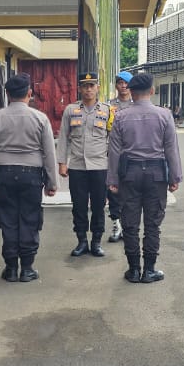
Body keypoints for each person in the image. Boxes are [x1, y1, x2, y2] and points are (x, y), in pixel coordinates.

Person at [0, 73, 58, 282]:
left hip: (4, 174)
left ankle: (11, 268)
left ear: (7, 94)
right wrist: (51, 182)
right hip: (31, 176)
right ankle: (27, 268)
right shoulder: (40, 118)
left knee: (8, 220)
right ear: (29, 93)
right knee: (30, 219)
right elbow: (49, 153)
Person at [107, 71, 182, 283]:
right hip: (156, 174)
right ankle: (149, 270)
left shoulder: (120, 116)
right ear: (152, 90)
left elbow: (114, 151)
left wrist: (112, 180)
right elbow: (171, 149)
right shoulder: (164, 115)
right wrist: (174, 177)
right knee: (152, 224)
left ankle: (133, 270)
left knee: (130, 224)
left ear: (131, 92)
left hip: (129, 174)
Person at [57, 71, 113, 258]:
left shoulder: (107, 110)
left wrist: (113, 167)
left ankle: (96, 241)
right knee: (79, 206)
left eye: (92, 85)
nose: (88, 89)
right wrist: (62, 162)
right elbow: (63, 137)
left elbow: (113, 140)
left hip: (100, 166)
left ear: (98, 88)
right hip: (77, 167)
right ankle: (81, 241)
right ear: (79, 88)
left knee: (98, 206)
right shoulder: (71, 110)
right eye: (84, 86)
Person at [104, 72, 134, 242]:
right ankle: (116, 225)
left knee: (130, 192)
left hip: (132, 155)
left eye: (126, 83)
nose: (123, 86)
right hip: (113, 154)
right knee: (113, 190)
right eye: (120, 83)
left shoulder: (136, 105)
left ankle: (129, 226)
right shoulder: (109, 106)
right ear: (116, 85)